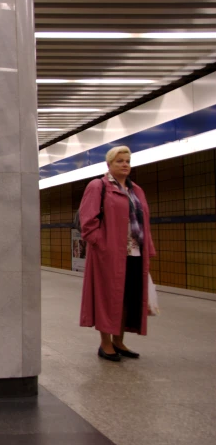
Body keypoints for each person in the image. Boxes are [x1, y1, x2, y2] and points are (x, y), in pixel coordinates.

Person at [79, 146, 155, 362]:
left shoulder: (136, 191)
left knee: (128, 298)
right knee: (108, 298)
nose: (125, 164)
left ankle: (118, 341)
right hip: (109, 254)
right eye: (120, 161)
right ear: (109, 165)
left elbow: (143, 223)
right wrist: (102, 244)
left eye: (128, 161)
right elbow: (88, 222)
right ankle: (105, 344)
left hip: (135, 253)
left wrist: (148, 249)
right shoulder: (98, 186)